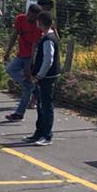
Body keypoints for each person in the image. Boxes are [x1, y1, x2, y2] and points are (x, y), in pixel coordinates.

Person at [2, 2, 43, 123]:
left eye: (33, 18)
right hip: (21, 53)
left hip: (31, 55)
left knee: (26, 87)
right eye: (29, 16)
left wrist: (30, 65)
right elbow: (15, 35)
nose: (30, 19)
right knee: (10, 69)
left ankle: (19, 113)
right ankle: (30, 85)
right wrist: (7, 51)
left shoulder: (37, 26)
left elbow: (35, 46)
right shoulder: (20, 18)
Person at [27, 12, 60, 146]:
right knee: (40, 105)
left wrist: (39, 75)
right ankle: (39, 132)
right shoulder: (47, 36)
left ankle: (47, 135)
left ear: (40, 22)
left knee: (46, 106)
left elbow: (48, 60)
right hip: (43, 76)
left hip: (46, 77)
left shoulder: (48, 39)